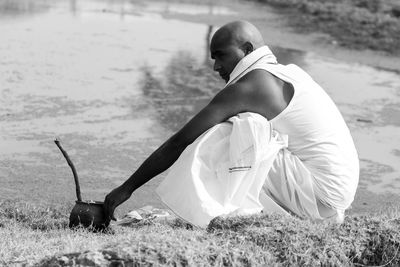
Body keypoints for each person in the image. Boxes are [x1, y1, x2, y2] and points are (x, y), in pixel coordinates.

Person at [104, 21, 359, 227]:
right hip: (334, 195)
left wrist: (125, 189)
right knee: (252, 128)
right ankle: (245, 212)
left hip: (321, 197)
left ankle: (222, 216)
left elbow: (181, 141)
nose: (216, 67)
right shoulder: (288, 71)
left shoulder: (249, 87)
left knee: (229, 132)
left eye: (221, 56)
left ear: (247, 50)